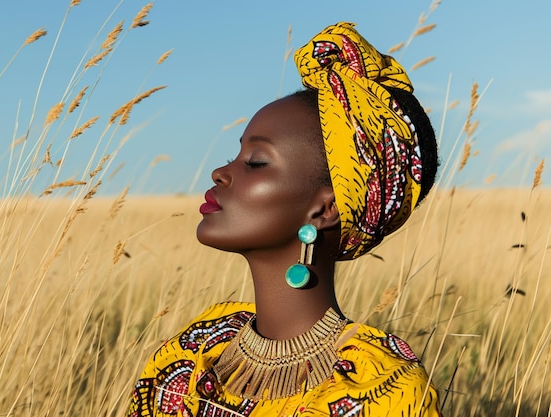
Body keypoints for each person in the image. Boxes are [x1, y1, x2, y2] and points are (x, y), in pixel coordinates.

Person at [127, 22, 442, 416]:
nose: (220, 173)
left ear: (324, 209)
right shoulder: (191, 351)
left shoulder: (384, 390)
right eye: (235, 155)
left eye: (256, 162)